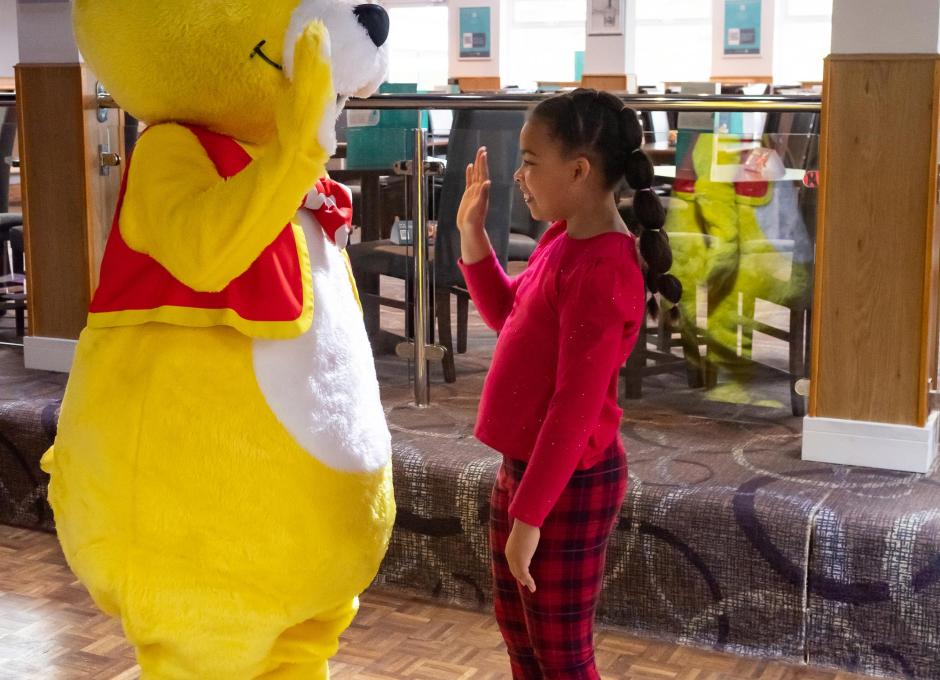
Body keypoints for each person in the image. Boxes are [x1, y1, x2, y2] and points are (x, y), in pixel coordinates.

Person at [455, 88, 681, 679]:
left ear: (578, 170)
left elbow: (574, 408)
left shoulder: (604, 268)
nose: (519, 175)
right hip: (529, 468)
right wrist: (474, 238)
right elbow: (511, 318)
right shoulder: (561, 239)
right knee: (520, 635)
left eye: (531, 161)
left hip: (569, 483)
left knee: (560, 652)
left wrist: (529, 519)